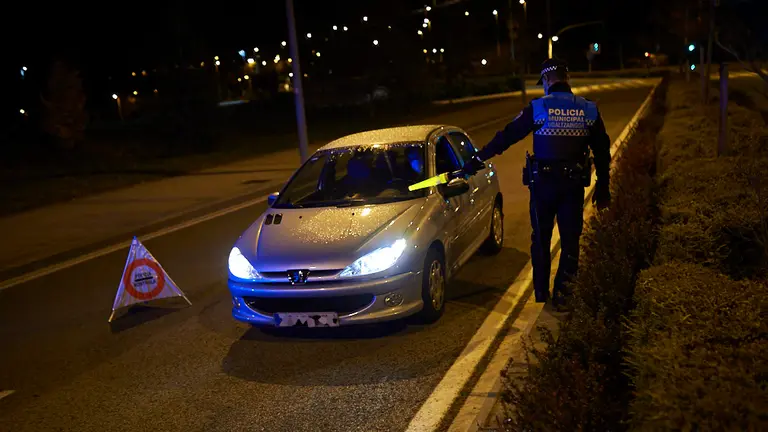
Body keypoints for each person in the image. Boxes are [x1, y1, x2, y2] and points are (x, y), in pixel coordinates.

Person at [460, 58, 612, 309]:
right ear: (567, 79)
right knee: (571, 240)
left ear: (548, 80)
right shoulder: (588, 109)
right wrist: (603, 186)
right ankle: (564, 294)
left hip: (542, 186)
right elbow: (602, 151)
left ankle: (541, 292)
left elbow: (507, 136)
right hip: (572, 187)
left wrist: (478, 158)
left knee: (541, 239)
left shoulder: (539, 107)